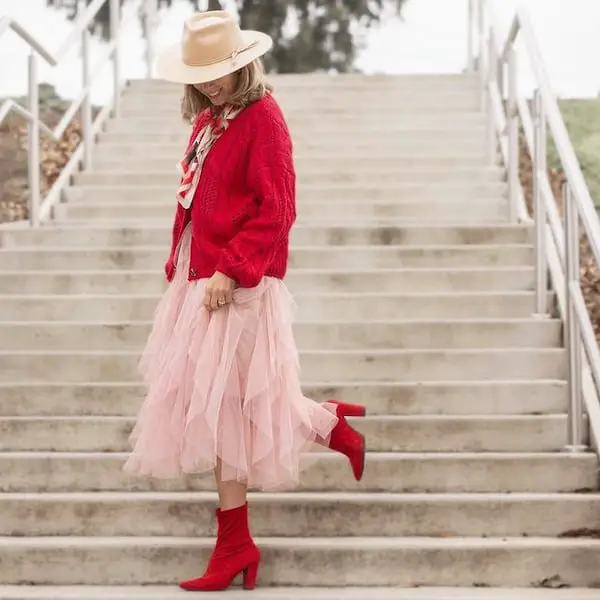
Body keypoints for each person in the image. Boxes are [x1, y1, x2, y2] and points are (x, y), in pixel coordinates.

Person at [123, 10, 366, 592]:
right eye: (200, 72)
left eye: (219, 70)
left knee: (226, 410)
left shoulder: (263, 118)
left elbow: (276, 209)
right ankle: (325, 427)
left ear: (243, 64)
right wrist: (183, 264)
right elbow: (196, 199)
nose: (210, 81)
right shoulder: (211, 121)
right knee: (219, 407)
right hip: (199, 281)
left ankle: (235, 543)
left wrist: (231, 270)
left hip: (236, 284)